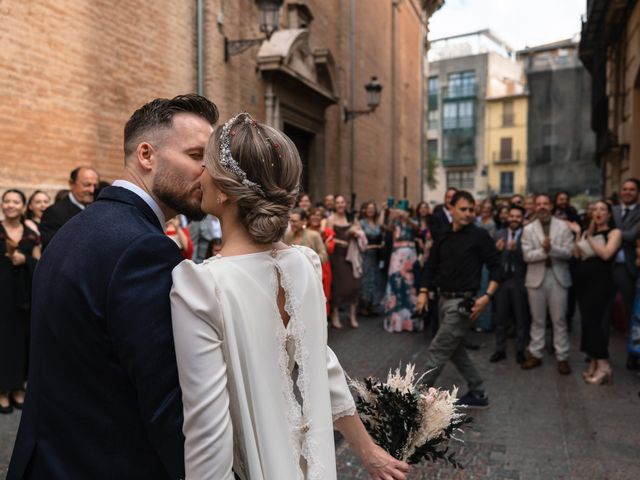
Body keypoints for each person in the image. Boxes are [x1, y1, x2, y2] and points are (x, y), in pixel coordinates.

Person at [170, 112, 409, 480]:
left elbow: (208, 431)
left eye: (206, 165)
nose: (198, 172)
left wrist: (368, 449)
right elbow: (323, 365)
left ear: (223, 190)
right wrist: (366, 449)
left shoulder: (200, 286)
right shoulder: (305, 263)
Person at [7, 94, 219, 480]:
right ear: (146, 154)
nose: (206, 172)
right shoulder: (145, 248)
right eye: (195, 155)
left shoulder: (79, 227)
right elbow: (166, 401)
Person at [416, 190, 501, 408]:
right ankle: (478, 392)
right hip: (443, 301)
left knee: (438, 350)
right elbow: (430, 267)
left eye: (472, 210)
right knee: (454, 350)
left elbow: (497, 269)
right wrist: (423, 291)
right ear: (451, 209)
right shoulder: (443, 236)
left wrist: (487, 297)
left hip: (463, 305)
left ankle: (412, 399)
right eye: (463, 209)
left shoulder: (479, 235)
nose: (468, 213)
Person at [520, 193, 574, 375]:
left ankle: (562, 357)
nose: (542, 206)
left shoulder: (563, 226)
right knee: (537, 320)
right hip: (535, 279)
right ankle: (536, 354)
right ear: (535, 207)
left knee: (559, 320)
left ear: (551, 206)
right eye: (539, 203)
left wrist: (553, 249)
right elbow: (527, 256)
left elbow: (568, 252)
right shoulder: (528, 229)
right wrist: (545, 251)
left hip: (558, 277)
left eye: (545, 203)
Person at [569, 201, 621, 384]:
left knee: (596, 323)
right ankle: (593, 362)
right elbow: (576, 255)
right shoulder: (586, 232)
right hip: (583, 284)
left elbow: (606, 254)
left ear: (609, 215)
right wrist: (578, 235)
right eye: (595, 209)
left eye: (602, 209)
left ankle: (604, 365)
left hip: (601, 284)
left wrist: (590, 237)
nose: (598, 212)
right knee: (587, 323)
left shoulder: (614, 233)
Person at [0, 189, 41, 415]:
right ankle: (2, 390)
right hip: (1, 293)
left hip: (23, 295)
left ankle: (17, 388)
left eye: (16, 201)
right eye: (7, 201)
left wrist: (24, 260)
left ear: (23, 205)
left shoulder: (30, 233)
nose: (10, 205)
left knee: (21, 340)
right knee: (2, 341)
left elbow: (40, 262)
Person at [490, 206, 529, 364]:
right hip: (502, 280)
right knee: (500, 317)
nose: (514, 219)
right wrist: (497, 250)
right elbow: (490, 258)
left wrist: (517, 251)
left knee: (521, 317)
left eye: (517, 216)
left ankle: (520, 349)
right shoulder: (498, 234)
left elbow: (529, 259)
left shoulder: (527, 235)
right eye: (511, 216)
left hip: (520, 280)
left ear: (522, 218)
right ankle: (500, 349)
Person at [611, 178, 640, 370]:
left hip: (629, 269)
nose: (627, 192)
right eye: (625, 188)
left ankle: (633, 353)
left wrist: (615, 233)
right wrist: (623, 234)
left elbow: (633, 236)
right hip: (608, 266)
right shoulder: (611, 210)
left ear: (637, 193)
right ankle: (598, 354)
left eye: (632, 189)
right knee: (604, 310)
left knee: (632, 314)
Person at [327, 194, 365, 329]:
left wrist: (355, 232)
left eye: (342, 202)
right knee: (338, 286)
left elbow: (361, 231)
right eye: (337, 203)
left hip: (351, 255)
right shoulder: (331, 219)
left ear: (346, 204)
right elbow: (327, 237)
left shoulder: (351, 217)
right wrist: (339, 241)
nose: (340, 205)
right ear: (334, 205)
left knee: (354, 285)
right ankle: (335, 315)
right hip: (338, 256)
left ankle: (352, 315)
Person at [39, 166, 100, 250]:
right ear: (72, 184)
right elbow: (51, 249)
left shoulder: (97, 211)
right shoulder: (54, 212)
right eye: (87, 185)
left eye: (95, 186)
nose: (92, 190)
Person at [383, 207, 421, 332]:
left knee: (410, 285)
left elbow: (417, 229)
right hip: (397, 256)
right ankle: (395, 321)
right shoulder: (395, 223)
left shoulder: (413, 221)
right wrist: (391, 215)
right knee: (396, 284)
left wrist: (406, 218)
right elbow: (386, 230)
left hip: (410, 255)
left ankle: (410, 321)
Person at [358, 201, 385, 316]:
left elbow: (382, 226)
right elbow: (360, 243)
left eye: (373, 208)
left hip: (377, 255)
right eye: (369, 208)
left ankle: (372, 305)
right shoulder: (361, 223)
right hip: (366, 255)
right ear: (364, 210)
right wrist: (375, 246)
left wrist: (383, 209)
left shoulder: (376, 223)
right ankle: (363, 305)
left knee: (375, 280)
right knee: (366, 280)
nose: (371, 210)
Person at [308, 206, 335, 315]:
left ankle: (324, 320)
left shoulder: (328, 232)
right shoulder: (303, 231)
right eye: (313, 214)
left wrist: (323, 235)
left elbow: (330, 249)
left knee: (324, 295)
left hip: (323, 267)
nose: (315, 217)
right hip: (308, 267)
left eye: (318, 215)